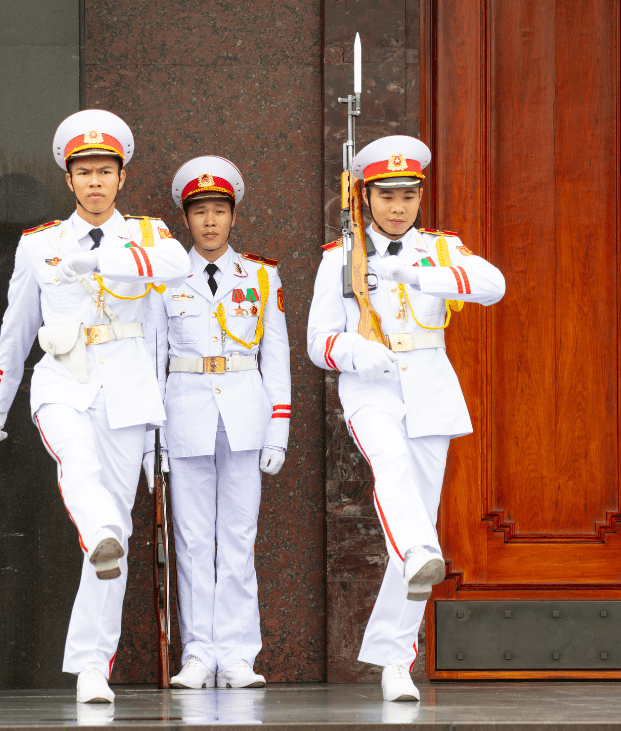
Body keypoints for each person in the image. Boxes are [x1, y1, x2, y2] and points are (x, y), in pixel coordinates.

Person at [0, 109, 190, 704]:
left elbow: (176, 270)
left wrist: (98, 260)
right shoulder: (39, 245)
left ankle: (93, 665)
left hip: (126, 391)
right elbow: (14, 332)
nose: (95, 182)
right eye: (83, 172)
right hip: (62, 382)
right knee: (79, 465)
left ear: (122, 178)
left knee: (114, 537)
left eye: (105, 171)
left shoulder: (149, 237)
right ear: (68, 180)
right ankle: (96, 527)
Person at [306, 135, 505, 701]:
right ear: (365, 197)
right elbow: (317, 341)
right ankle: (419, 550)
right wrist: (352, 351)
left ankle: (397, 660)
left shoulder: (443, 250)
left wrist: (421, 276)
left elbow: (494, 285)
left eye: (408, 195)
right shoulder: (338, 258)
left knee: (415, 522)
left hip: (430, 391)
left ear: (421, 197)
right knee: (392, 475)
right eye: (386, 195)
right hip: (371, 387)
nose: (397, 207)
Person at [144, 156, 291, 690]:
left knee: (237, 538)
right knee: (189, 540)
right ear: (185, 218)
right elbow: (151, 359)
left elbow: (275, 359)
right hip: (183, 416)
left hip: (245, 418)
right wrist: (148, 441)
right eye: (200, 211)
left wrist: (279, 429)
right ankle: (198, 654)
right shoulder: (164, 278)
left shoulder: (260, 275)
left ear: (233, 216)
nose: (210, 221)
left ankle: (237, 654)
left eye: (219, 211)